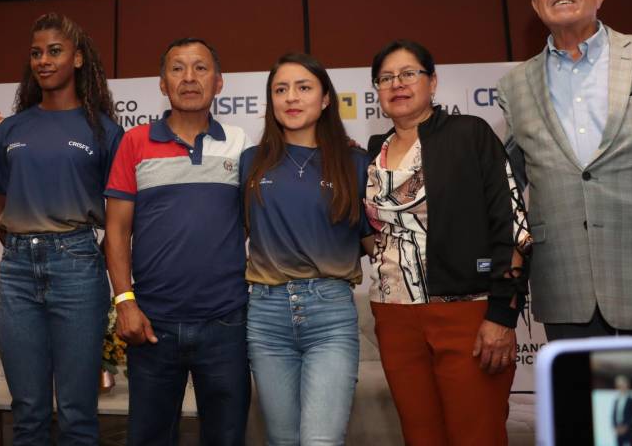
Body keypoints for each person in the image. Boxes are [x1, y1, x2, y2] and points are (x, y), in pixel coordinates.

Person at [365, 40, 531, 446]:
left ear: (433, 81)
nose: (397, 84)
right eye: (386, 78)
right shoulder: (374, 152)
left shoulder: (469, 134)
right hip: (394, 316)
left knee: (477, 435)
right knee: (420, 436)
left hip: (469, 315)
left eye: (409, 74)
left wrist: (502, 316)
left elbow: (512, 229)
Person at [105, 38, 251, 446]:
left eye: (201, 68)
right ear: (161, 83)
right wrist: (125, 303)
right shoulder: (133, 143)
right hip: (153, 324)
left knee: (227, 438)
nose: (189, 78)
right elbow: (116, 231)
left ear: (219, 82)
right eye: (178, 68)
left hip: (227, 323)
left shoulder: (241, 145)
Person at [497, 0, 632, 340]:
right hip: (566, 277)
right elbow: (508, 184)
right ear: (535, 2)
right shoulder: (513, 86)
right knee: (582, 402)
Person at [0, 13, 123, 446]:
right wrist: (27, 244)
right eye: (36, 53)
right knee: (27, 412)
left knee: (77, 412)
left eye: (54, 51)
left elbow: (120, 214)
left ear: (78, 59)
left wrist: (67, 247)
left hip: (78, 267)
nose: (43, 61)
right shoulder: (11, 128)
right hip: (18, 270)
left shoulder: (103, 130)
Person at [240, 52, 371, 445]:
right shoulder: (251, 162)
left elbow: (372, 239)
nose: (291, 98)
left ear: (326, 98)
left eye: (303, 87)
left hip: (329, 314)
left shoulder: (356, 162)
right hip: (265, 317)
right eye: (281, 89)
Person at [611, 376, 632, 446]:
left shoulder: (631, 399)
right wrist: (615, 426)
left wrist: (625, 426)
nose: (621, 387)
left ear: (627, 385)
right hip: (618, 429)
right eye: (619, 385)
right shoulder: (616, 400)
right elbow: (613, 414)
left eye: (623, 385)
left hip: (629, 429)